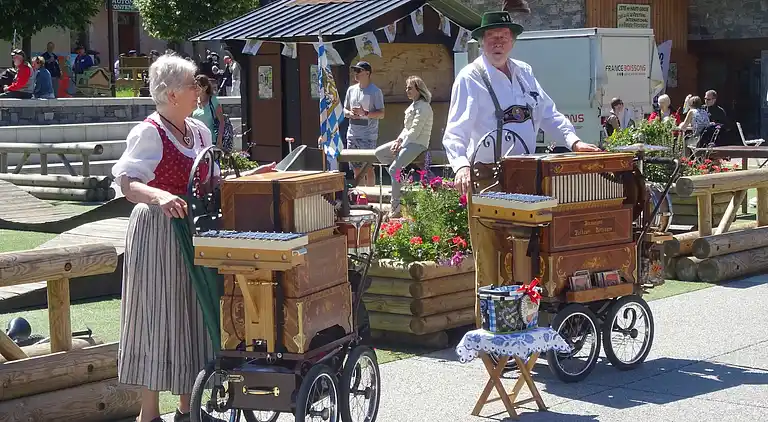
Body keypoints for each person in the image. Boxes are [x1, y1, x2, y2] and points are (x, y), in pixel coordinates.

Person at [113, 54, 273, 422]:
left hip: (194, 227)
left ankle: (188, 410)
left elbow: (211, 181)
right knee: (155, 315)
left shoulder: (199, 130)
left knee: (194, 311)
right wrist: (158, 195)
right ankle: (148, 414)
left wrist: (248, 178)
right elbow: (125, 182)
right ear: (171, 94)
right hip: (157, 229)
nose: (197, 89)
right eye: (191, 84)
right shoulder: (149, 132)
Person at [442, 10, 600, 323]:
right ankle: (493, 336)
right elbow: (454, 132)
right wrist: (460, 166)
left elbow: (550, 115)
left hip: (526, 175)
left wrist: (574, 142)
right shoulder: (471, 78)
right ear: (482, 42)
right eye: (491, 37)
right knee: (492, 258)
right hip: (487, 176)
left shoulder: (525, 73)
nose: (497, 42)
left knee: (526, 256)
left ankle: (524, 328)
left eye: (503, 37)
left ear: (513, 41)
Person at [375, 75, 434, 218]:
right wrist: (398, 140)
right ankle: (401, 181)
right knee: (380, 153)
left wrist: (401, 145)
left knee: (394, 169)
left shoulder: (424, 107)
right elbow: (406, 129)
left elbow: (415, 131)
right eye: (406, 88)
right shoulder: (412, 106)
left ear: (418, 89)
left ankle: (395, 208)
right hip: (407, 141)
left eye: (410, 88)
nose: (407, 90)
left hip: (418, 143)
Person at [343, 61, 385, 186]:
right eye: (355, 71)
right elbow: (344, 110)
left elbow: (382, 114)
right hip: (352, 134)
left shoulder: (375, 91)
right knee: (356, 168)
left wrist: (365, 113)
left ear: (367, 73)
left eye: (359, 71)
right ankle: (360, 196)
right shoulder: (351, 90)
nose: (356, 73)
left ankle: (371, 195)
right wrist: (350, 114)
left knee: (368, 168)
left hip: (368, 135)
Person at [191, 75, 225, 147]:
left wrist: (219, 138)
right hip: (196, 142)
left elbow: (221, 121)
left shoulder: (213, 101)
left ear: (205, 87)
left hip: (210, 141)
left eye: (198, 85)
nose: (196, 88)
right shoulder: (194, 101)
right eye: (195, 85)